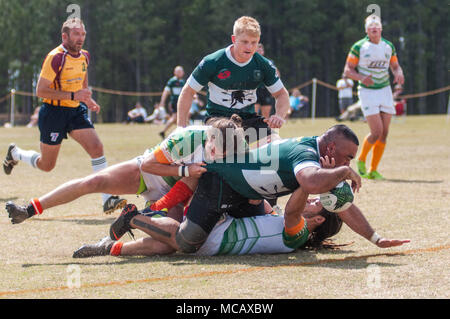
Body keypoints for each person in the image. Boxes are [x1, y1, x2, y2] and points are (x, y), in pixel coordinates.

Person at [91, 124, 365, 256]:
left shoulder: (297, 233)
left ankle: (119, 239)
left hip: (219, 234)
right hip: (223, 225)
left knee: (176, 245)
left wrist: (323, 176)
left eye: (319, 203)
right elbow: (289, 200)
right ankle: (132, 222)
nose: (314, 198)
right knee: (181, 240)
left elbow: (297, 204)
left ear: (317, 220)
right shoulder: (288, 226)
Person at [5, 116, 244, 225]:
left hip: (180, 196)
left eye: (223, 154)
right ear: (210, 136)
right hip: (150, 173)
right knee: (94, 182)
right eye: (215, 149)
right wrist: (184, 170)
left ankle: (122, 232)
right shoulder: (188, 137)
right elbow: (149, 164)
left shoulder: (235, 150)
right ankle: (29, 209)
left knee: (173, 242)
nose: (216, 156)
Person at [2, 18, 126, 214]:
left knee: (97, 147)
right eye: (76, 34)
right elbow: (41, 91)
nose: (81, 38)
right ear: (64, 36)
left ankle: (108, 198)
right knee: (47, 165)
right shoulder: (55, 57)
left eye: (83, 34)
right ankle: (16, 153)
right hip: (53, 112)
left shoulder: (85, 56)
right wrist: (73, 95)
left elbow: (83, 80)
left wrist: (86, 98)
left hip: (75, 110)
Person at [176, 16, 290, 144]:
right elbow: (188, 91)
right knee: (231, 134)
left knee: (274, 142)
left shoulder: (263, 65)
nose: (250, 47)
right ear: (234, 39)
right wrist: (181, 127)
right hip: (217, 119)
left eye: (254, 42)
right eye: (245, 42)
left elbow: (282, 94)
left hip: (248, 119)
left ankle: (254, 162)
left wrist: (279, 115)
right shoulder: (212, 61)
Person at [344, 14, 405, 180]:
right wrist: (362, 78)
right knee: (376, 131)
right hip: (367, 91)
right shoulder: (359, 47)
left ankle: (373, 170)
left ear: (381, 28)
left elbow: (395, 65)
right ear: (367, 30)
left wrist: (398, 72)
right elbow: (348, 70)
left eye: (376, 25)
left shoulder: (388, 46)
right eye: (370, 27)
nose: (374, 28)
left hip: (384, 90)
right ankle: (362, 159)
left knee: (384, 133)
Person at [158, 66, 186, 139]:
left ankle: (164, 132)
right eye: (178, 72)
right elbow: (166, 91)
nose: (180, 73)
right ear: (175, 72)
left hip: (181, 102)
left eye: (181, 72)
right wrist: (162, 101)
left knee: (176, 118)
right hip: (175, 102)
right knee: (179, 118)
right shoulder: (172, 81)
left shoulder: (182, 81)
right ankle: (178, 134)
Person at [254, 44, 276, 120]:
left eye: (261, 50)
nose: (259, 52)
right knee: (254, 114)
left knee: (266, 116)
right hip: (254, 90)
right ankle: (252, 131)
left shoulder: (269, 62)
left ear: (263, 52)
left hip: (266, 90)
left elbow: (277, 75)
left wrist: (274, 88)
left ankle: (263, 132)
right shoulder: (250, 61)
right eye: (257, 50)